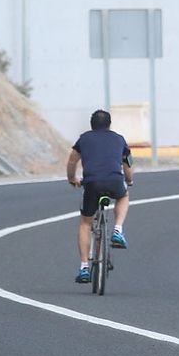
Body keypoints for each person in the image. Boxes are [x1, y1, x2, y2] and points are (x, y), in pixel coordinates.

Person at [66, 109, 133, 284]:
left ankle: (84, 268)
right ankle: (117, 230)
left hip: (92, 183)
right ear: (109, 124)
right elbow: (127, 163)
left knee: (85, 222)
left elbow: (72, 160)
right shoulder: (119, 139)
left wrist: (72, 179)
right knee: (124, 195)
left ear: (91, 124)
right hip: (114, 181)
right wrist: (129, 180)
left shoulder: (84, 139)